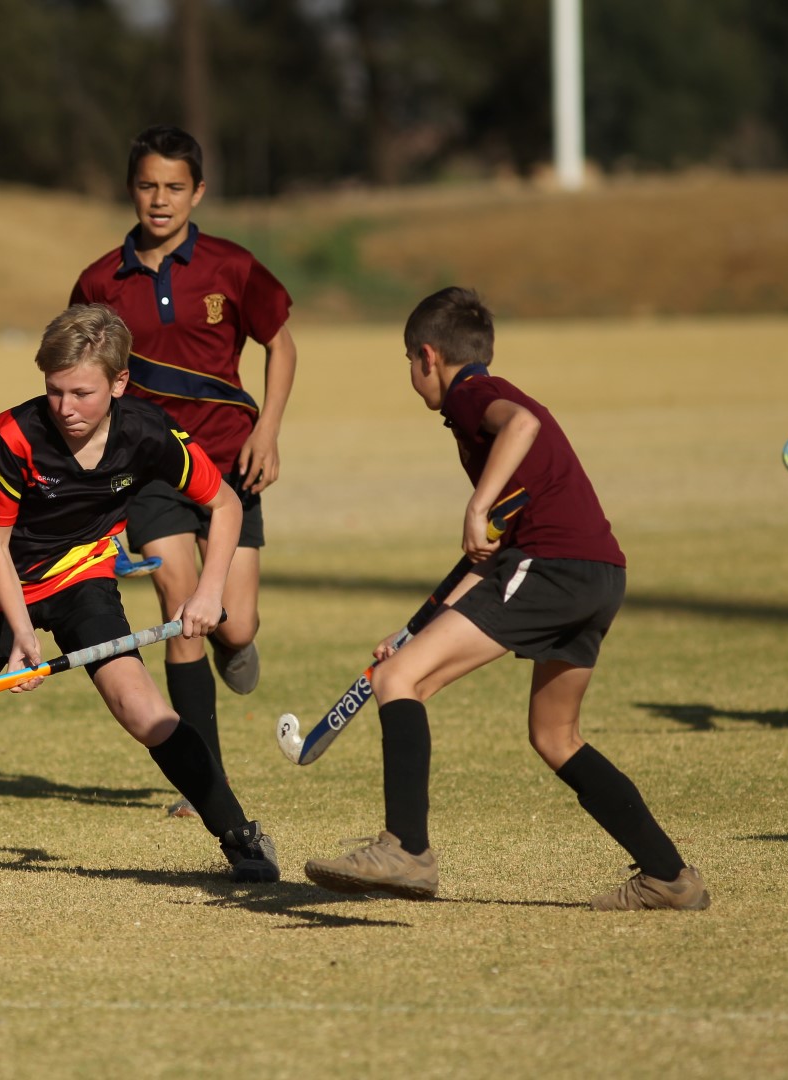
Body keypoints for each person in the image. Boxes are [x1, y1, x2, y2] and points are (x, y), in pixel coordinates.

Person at [302, 286, 709, 912]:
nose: (412, 374)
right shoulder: (484, 408)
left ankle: (406, 850)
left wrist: (477, 503)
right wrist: (420, 629)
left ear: (428, 356)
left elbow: (523, 425)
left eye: (409, 361)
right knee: (555, 735)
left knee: (398, 680)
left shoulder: (473, 394)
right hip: (597, 573)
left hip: (552, 567)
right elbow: (490, 560)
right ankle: (669, 878)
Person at [0, 304, 280, 883]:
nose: (66, 408)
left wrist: (208, 590)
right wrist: (22, 636)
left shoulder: (147, 433)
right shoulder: (11, 437)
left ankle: (241, 838)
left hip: (81, 574)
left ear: (119, 383)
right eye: (54, 390)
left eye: (82, 393)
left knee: (143, 710)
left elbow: (224, 503)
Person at [69, 125, 297, 816]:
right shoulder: (99, 281)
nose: (160, 200)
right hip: (150, 473)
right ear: (131, 189)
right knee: (181, 609)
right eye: (148, 186)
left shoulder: (233, 266)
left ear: (198, 191)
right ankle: (206, 785)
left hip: (230, 466)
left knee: (235, 624)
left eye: (174, 187)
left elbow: (281, 344)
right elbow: (81, 377)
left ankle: (237, 645)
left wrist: (268, 430)